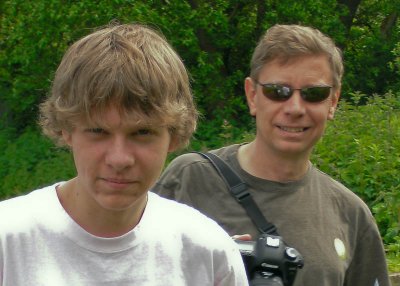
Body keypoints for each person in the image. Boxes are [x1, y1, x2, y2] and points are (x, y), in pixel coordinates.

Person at [0, 23, 249, 286]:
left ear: (174, 136)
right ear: (66, 130)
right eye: (98, 131)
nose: (119, 159)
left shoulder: (208, 252)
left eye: (142, 133)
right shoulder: (9, 239)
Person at [153, 24, 391, 285]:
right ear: (252, 95)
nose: (295, 108)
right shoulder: (189, 179)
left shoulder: (351, 213)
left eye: (314, 94)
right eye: (278, 91)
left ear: (333, 102)